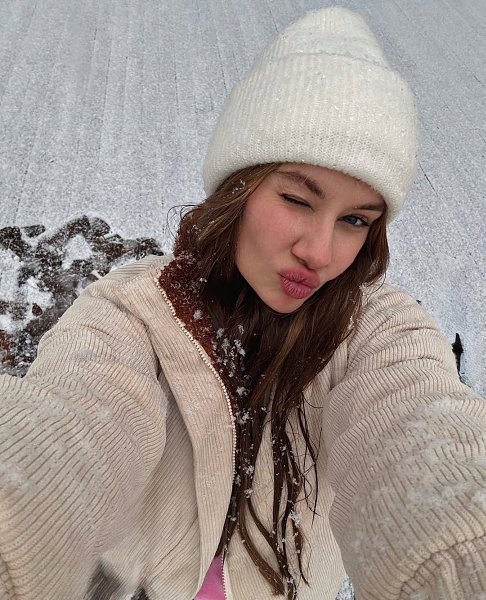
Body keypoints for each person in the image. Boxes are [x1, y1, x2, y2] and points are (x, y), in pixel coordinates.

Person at [0, 6, 485, 600]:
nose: (319, 252)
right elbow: (68, 431)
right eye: (297, 199)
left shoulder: (375, 331)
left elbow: (420, 436)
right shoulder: (133, 314)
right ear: (239, 188)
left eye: (356, 219)